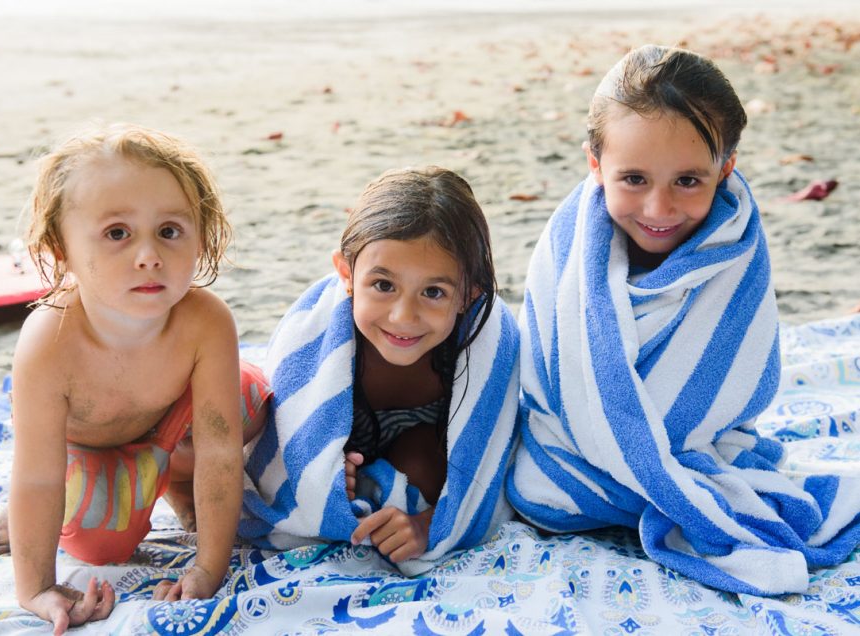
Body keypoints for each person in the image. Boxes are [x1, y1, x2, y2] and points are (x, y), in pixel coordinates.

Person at [506, 45, 860, 595]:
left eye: (688, 181)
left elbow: (736, 363)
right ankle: (644, 476)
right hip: (571, 447)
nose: (658, 209)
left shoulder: (735, 249)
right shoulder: (570, 244)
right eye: (634, 180)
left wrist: (669, 445)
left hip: (697, 445)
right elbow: (553, 365)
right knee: (536, 487)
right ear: (596, 165)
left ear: (725, 170)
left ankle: (651, 475)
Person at [0, 124, 270, 634]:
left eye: (170, 231)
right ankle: (29, 518)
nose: (148, 255)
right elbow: (36, 473)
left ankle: (173, 478)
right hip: (88, 452)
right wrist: (36, 586)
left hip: (169, 425)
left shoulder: (206, 320)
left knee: (251, 400)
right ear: (60, 251)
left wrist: (207, 568)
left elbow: (220, 451)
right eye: (117, 233)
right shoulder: (49, 338)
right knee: (102, 545)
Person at [239, 167, 519, 574]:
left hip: (428, 444)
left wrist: (428, 524)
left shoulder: (485, 342)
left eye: (434, 292)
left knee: (424, 462)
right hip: (351, 433)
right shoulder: (316, 336)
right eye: (383, 285)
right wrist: (327, 480)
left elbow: (492, 458)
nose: (403, 317)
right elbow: (292, 439)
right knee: (225, 403)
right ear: (347, 275)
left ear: (468, 295)